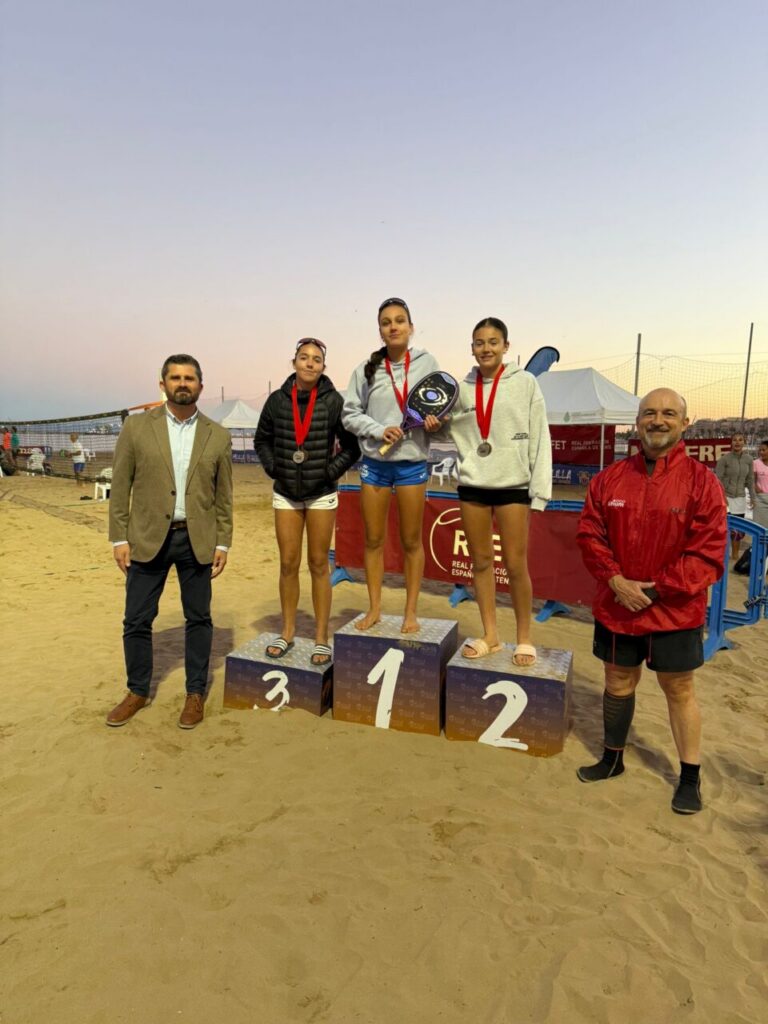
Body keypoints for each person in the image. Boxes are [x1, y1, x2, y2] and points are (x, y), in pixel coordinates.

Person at [576, 388, 727, 815]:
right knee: (617, 681)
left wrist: (655, 590)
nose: (658, 420)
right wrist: (615, 580)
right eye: (649, 413)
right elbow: (590, 535)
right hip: (618, 605)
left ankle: (690, 777)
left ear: (684, 423)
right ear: (638, 421)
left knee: (678, 688)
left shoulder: (702, 483)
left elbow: (707, 553)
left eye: (668, 413)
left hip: (675, 609)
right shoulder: (608, 479)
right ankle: (612, 758)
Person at [106, 354, 233, 730]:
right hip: (147, 539)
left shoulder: (217, 435)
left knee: (199, 618)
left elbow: (224, 496)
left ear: (200, 386)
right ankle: (137, 691)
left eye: (189, 378)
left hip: (197, 539)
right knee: (136, 619)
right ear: (162, 384)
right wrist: (119, 537)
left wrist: (223, 543)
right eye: (175, 378)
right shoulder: (136, 428)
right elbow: (120, 486)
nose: (182, 383)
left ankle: (195, 694)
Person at [443, 316, 551, 666]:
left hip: (512, 485)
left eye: (493, 342)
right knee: (480, 563)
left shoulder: (526, 383)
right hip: (473, 484)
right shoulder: (462, 388)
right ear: (471, 348)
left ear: (506, 346)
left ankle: (524, 638)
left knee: (516, 565)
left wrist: (540, 491)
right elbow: (448, 431)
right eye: (479, 343)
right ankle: (491, 635)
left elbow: (540, 435)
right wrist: (434, 424)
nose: (486, 348)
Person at [254, 338, 360, 664]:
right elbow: (262, 440)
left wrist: (329, 472)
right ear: (294, 362)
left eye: (316, 359)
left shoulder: (333, 401)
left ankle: (321, 637)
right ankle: (287, 632)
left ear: (323, 367)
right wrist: (274, 468)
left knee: (318, 564)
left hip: (321, 494)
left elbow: (352, 447)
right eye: (304, 357)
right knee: (288, 564)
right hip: (286, 494)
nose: (310, 363)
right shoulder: (276, 400)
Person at [343, 297, 439, 633]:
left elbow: (439, 407)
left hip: (411, 464)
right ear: (380, 331)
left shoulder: (427, 364)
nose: (393, 327)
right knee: (373, 540)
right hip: (376, 464)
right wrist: (378, 429)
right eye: (386, 322)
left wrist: (435, 422)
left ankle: (410, 613)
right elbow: (350, 414)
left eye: (399, 321)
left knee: (412, 541)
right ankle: (374, 609)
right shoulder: (365, 370)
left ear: (411, 327)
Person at [716, 433, 756, 561]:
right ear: (731, 443)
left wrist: (753, 497)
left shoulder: (749, 460)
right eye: (734, 440)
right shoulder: (724, 459)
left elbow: (750, 480)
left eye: (740, 440)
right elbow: (717, 481)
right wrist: (722, 497)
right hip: (726, 498)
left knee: (738, 531)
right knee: (724, 528)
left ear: (744, 442)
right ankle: (721, 557)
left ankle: (734, 556)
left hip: (740, 499)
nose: (737, 442)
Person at [753, 440, 768, 530]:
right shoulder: (755, 463)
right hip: (760, 499)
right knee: (760, 528)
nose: (761, 452)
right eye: (760, 450)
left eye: (764, 450)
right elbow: (752, 480)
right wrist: (757, 489)